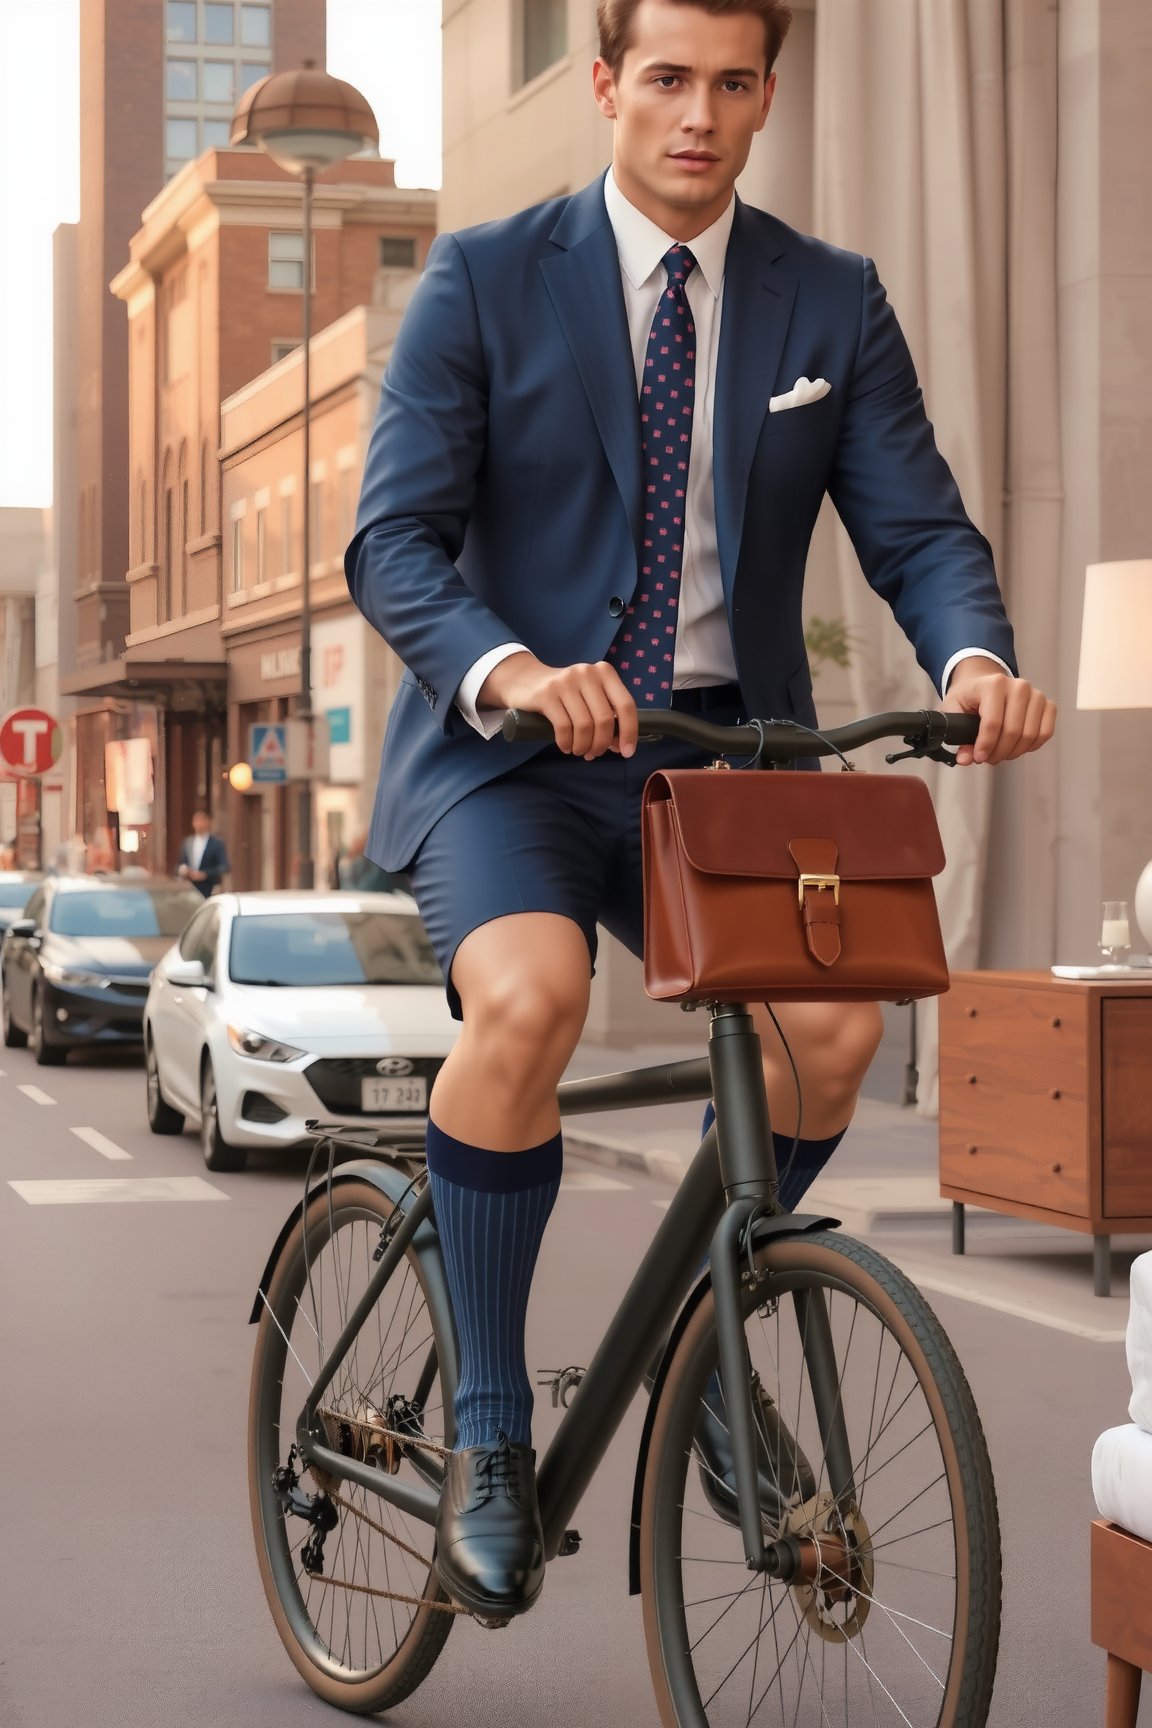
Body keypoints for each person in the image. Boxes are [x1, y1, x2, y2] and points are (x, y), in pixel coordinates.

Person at [346, 0, 1056, 1621]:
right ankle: (485, 1426)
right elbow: (391, 545)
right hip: (518, 754)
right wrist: (515, 669)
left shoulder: (829, 300)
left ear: (765, 97)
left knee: (838, 1036)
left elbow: (919, 526)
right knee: (529, 1001)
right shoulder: (482, 278)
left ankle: (704, 1327)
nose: (697, 115)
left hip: (721, 762)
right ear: (607, 85)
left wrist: (971, 656)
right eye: (666, 78)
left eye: (733, 84)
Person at [175, 809, 229, 898]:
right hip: (190, 889)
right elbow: (179, 865)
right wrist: (184, 870)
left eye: (202, 820)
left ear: (208, 822)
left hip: (210, 888)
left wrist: (205, 874)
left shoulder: (216, 843)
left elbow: (225, 867)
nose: (199, 824)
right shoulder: (188, 842)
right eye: (196, 820)